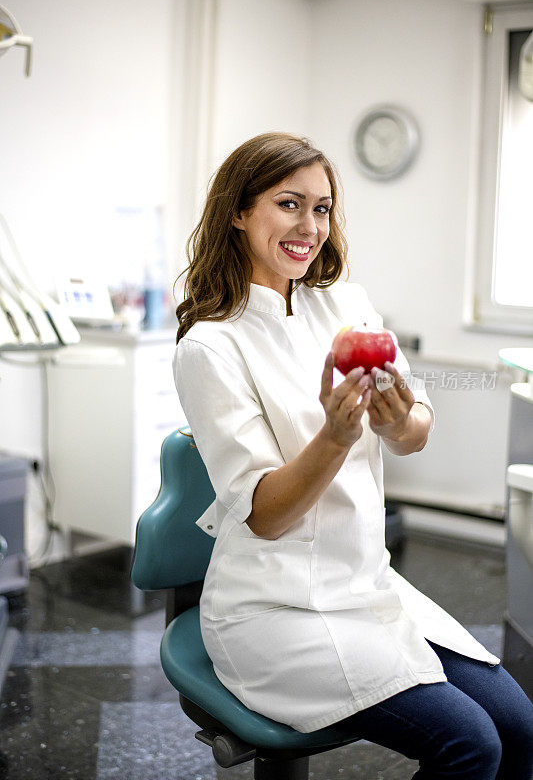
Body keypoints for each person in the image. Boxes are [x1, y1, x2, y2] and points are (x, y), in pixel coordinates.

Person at [173, 132, 533, 779]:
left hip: (366, 586)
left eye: (321, 208)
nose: (308, 226)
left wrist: (398, 420)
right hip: (273, 606)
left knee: (519, 728)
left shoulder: (344, 306)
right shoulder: (210, 347)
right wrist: (334, 438)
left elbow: (414, 430)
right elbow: (265, 517)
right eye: (288, 204)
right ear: (237, 211)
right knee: (469, 745)